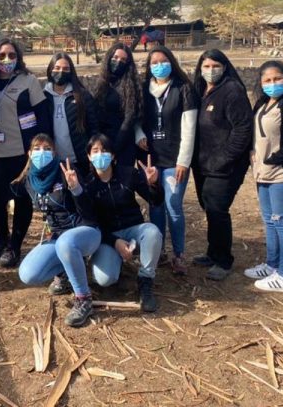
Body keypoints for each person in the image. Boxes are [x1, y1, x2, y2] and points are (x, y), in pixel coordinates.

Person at [0, 134, 100, 328]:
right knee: (28, 274)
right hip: (58, 238)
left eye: (47, 149)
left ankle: (83, 299)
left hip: (85, 231)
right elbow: (0, 196)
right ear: (29, 153)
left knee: (66, 243)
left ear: (54, 153)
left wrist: (76, 188)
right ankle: (66, 271)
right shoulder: (29, 179)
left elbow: (89, 211)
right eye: (37, 149)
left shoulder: (66, 171)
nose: (41, 153)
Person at [0, 38, 49, 268]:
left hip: (22, 154)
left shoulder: (29, 81)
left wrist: (39, 150)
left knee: (21, 200)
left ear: (18, 57)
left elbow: (42, 117)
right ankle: (1, 237)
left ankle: (14, 247)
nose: (7, 60)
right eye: (1, 56)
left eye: (11, 55)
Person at [244, 61, 283, 293]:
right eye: (267, 80)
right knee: (270, 221)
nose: (273, 84)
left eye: (277, 79)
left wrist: (274, 159)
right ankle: (272, 265)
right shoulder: (263, 103)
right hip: (263, 174)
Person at [191, 49, 253, 281]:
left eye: (215, 66)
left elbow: (242, 129)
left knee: (218, 209)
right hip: (203, 163)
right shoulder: (200, 91)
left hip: (226, 165)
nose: (211, 70)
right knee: (208, 206)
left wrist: (224, 158)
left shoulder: (232, 91)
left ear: (225, 67)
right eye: (206, 66)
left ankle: (224, 260)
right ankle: (212, 251)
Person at [84, 134, 164, 312]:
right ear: (89, 156)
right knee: (105, 279)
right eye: (95, 151)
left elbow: (156, 201)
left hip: (133, 229)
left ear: (113, 155)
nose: (100, 155)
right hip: (107, 237)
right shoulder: (88, 185)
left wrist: (154, 184)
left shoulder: (129, 174)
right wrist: (114, 241)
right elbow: (92, 224)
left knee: (152, 232)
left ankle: (145, 280)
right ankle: (116, 264)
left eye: (105, 150)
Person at [136, 46, 197, 275]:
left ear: (171, 62)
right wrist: (138, 135)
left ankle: (178, 254)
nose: (159, 66)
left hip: (174, 160)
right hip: (150, 160)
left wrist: (183, 161)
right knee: (155, 205)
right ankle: (158, 250)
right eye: (154, 62)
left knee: (173, 205)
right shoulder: (144, 89)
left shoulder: (183, 88)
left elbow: (189, 128)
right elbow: (135, 118)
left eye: (163, 61)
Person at [44, 52, 99, 178]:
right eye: (57, 68)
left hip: (80, 161)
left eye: (65, 69)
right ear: (50, 69)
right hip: (54, 161)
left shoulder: (82, 96)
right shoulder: (43, 97)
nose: (61, 72)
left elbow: (94, 127)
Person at [94, 42, 142, 168]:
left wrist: (115, 147)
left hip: (123, 143)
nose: (118, 62)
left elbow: (129, 117)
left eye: (123, 60)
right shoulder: (102, 83)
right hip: (103, 143)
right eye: (115, 57)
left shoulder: (131, 85)